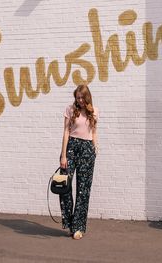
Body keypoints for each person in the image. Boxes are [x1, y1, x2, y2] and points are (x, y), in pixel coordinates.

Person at [59, 84, 98, 240]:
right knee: (65, 187)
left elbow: (94, 132)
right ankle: (69, 224)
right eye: (77, 97)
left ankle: (78, 227)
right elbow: (66, 131)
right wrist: (63, 155)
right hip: (71, 147)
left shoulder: (93, 111)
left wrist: (95, 148)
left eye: (82, 97)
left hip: (87, 149)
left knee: (83, 190)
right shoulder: (70, 109)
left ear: (87, 97)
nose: (80, 100)